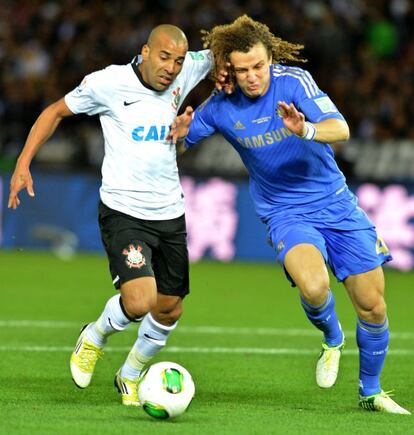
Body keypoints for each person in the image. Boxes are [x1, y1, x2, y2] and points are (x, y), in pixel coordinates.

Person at [170, 15, 411, 415]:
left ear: (270, 59)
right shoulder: (220, 106)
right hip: (285, 212)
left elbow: (341, 128)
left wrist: (306, 130)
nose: (252, 77)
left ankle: (371, 391)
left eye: (259, 66)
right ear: (228, 68)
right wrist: (178, 132)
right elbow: (180, 145)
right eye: (243, 69)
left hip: (336, 204)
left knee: (373, 305)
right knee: (315, 287)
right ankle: (332, 338)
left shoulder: (293, 83)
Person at [8, 24, 215, 406]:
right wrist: (24, 162)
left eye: (179, 61)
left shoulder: (188, 70)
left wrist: (233, 76)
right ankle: (96, 336)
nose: (172, 68)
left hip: (169, 211)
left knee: (169, 308)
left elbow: (229, 50)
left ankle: (131, 374)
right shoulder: (108, 83)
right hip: (124, 211)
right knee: (139, 301)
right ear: (146, 52)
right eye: (165, 57)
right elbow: (55, 112)